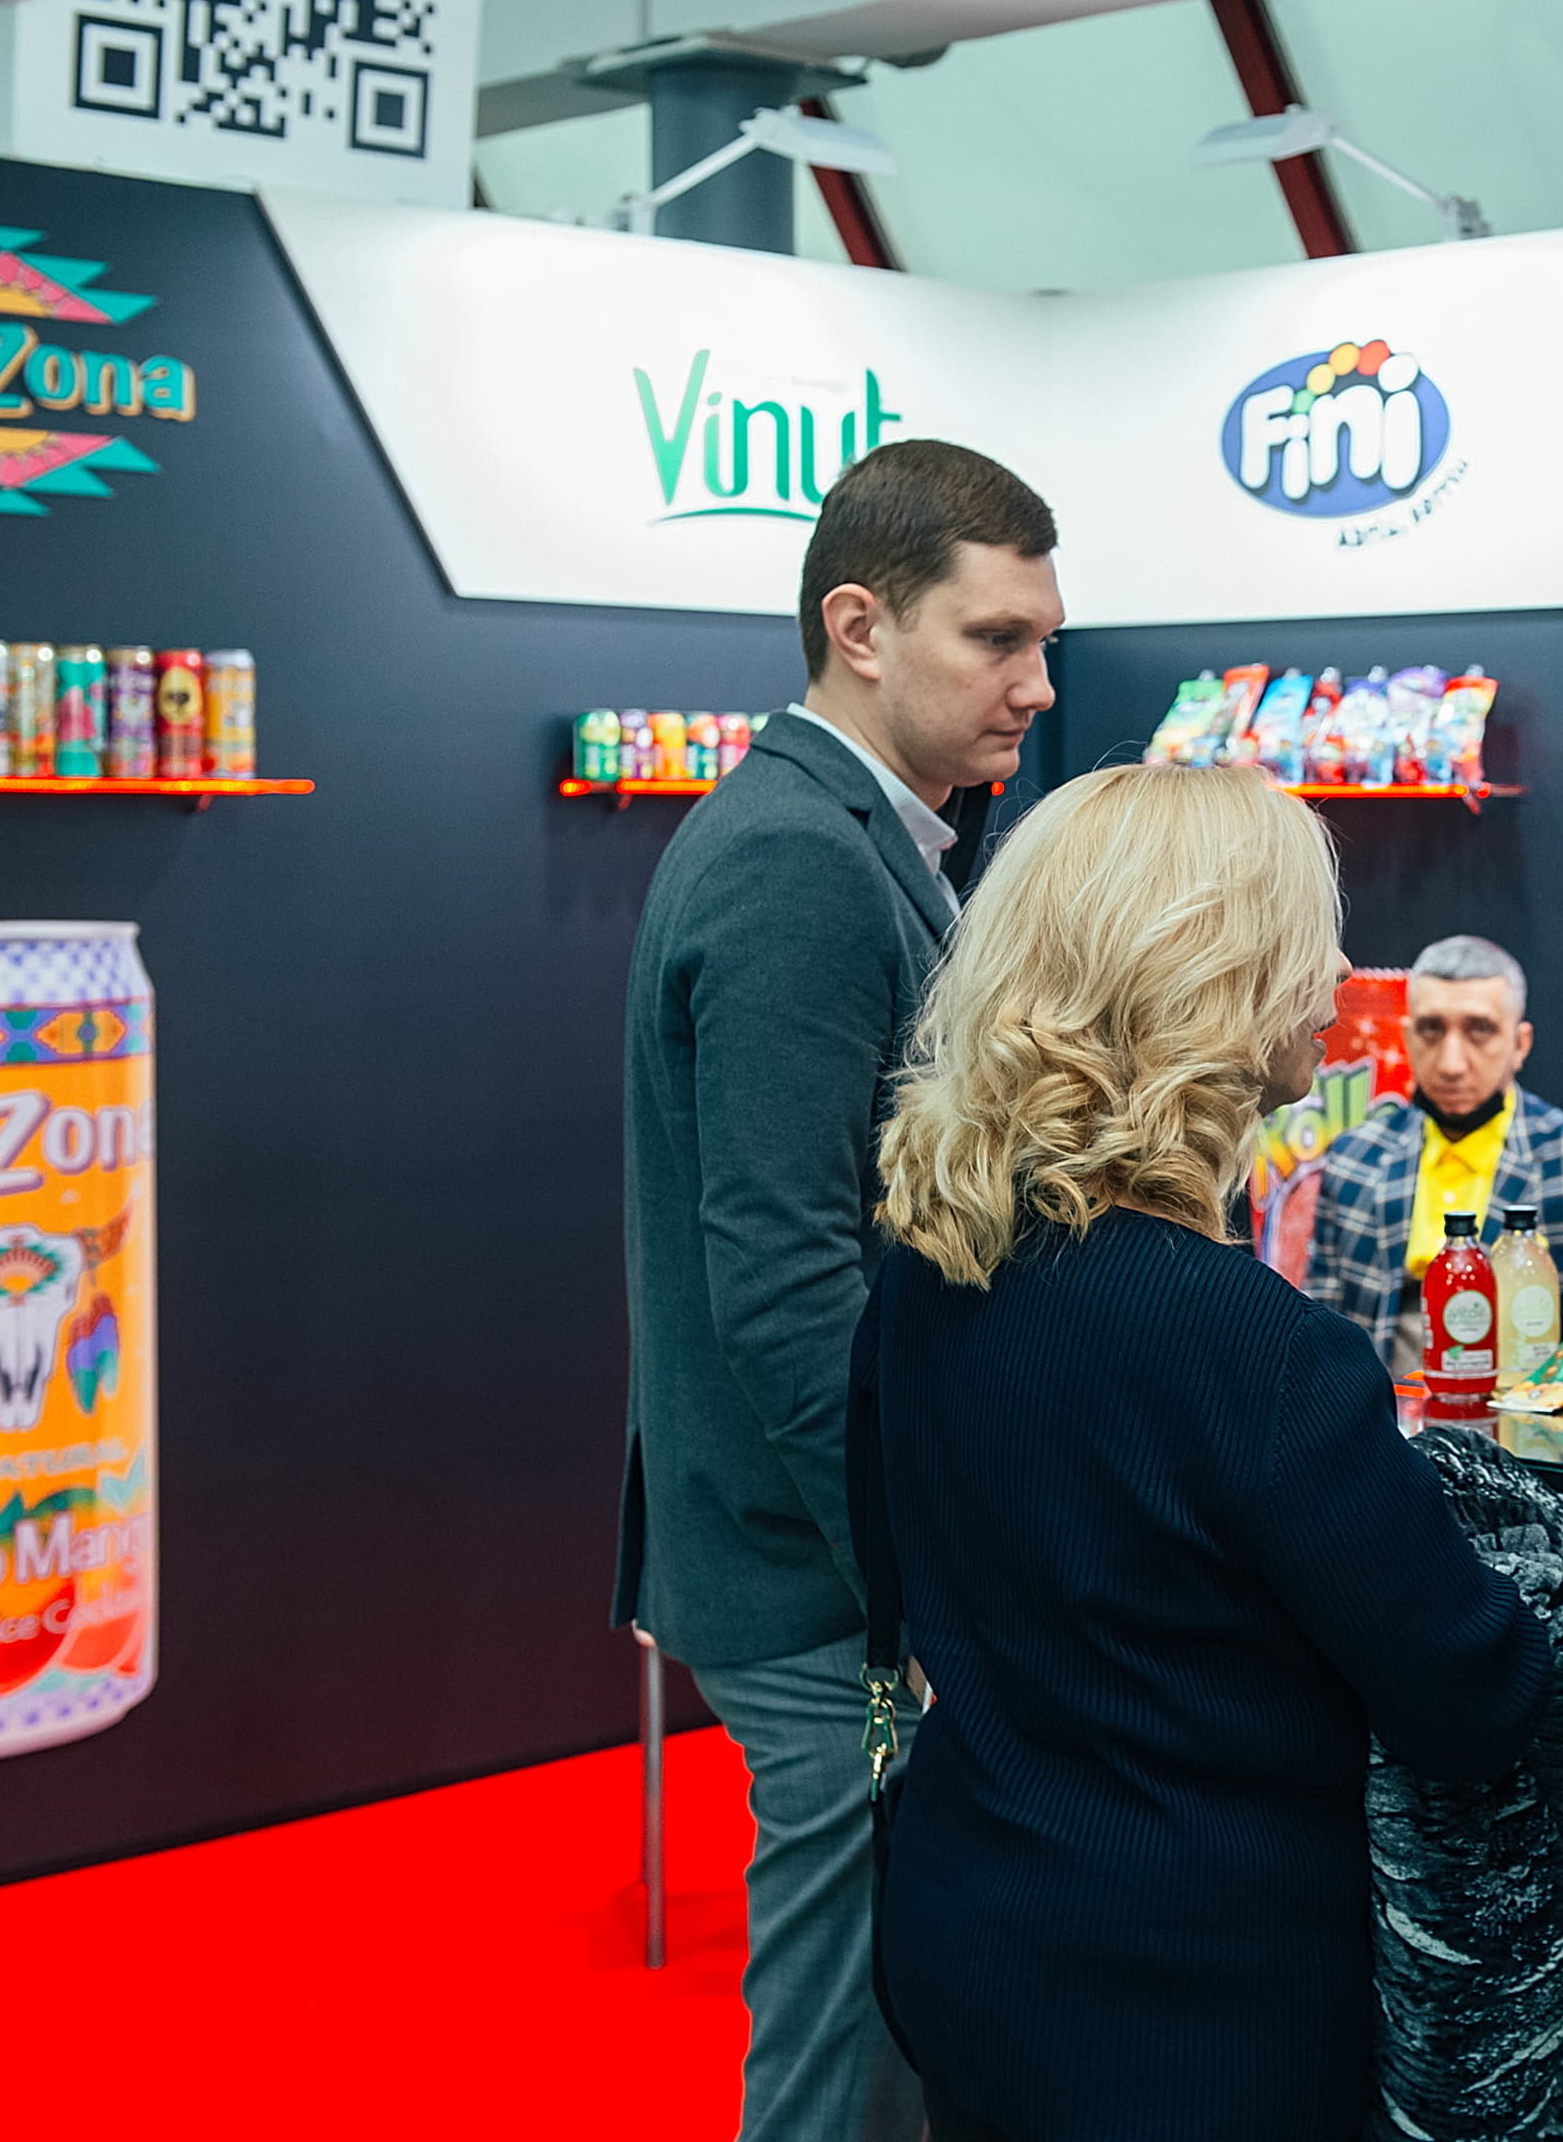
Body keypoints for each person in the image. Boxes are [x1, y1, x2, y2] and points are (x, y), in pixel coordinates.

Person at [859, 763, 1552, 2142]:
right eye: (1309, 936)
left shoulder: (930, 1274)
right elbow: (1472, 1693)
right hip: (1194, 2011)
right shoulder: (1252, 1346)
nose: (1340, 974)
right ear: (1213, 976)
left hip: (967, 1935)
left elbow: (893, 1574)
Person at [617, 439, 1061, 2142]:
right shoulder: (798, 860)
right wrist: (913, 1585)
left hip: (832, 1568)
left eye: (1043, 643)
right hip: (826, 1589)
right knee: (844, 2061)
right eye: (997, 639)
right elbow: (786, 1275)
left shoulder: (870, 839)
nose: (1035, 685)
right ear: (860, 628)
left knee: (894, 2028)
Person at [1302, 934, 1563, 1368]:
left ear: (1520, 1045)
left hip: (1528, 1403)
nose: (1451, 1064)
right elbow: (1322, 1330)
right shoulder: (1355, 1159)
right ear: (1407, 1037)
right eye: (1431, 1029)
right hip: (1381, 1402)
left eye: (1480, 1030)